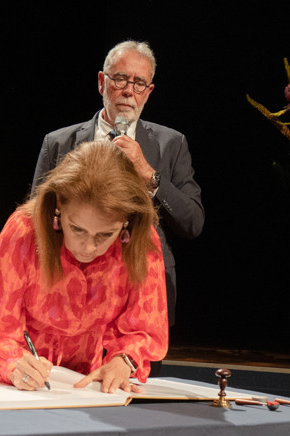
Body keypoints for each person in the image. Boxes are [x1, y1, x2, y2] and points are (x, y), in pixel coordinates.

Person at [0, 142, 167, 393]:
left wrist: (122, 361)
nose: (88, 247)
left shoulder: (141, 242)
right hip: (13, 367)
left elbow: (144, 328)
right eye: (77, 229)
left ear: (126, 221)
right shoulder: (24, 231)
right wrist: (13, 363)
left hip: (80, 370)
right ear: (58, 204)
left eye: (105, 234)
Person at [32, 40, 203, 328]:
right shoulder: (59, 142)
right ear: (102, 82)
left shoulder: (171, 144)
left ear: (148, 92)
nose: (128, 91)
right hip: (69, 284)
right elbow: (35, 216)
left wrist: (149, 174)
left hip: (141, 288)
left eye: (139, 83)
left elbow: (192, 222)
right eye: (121, 78)